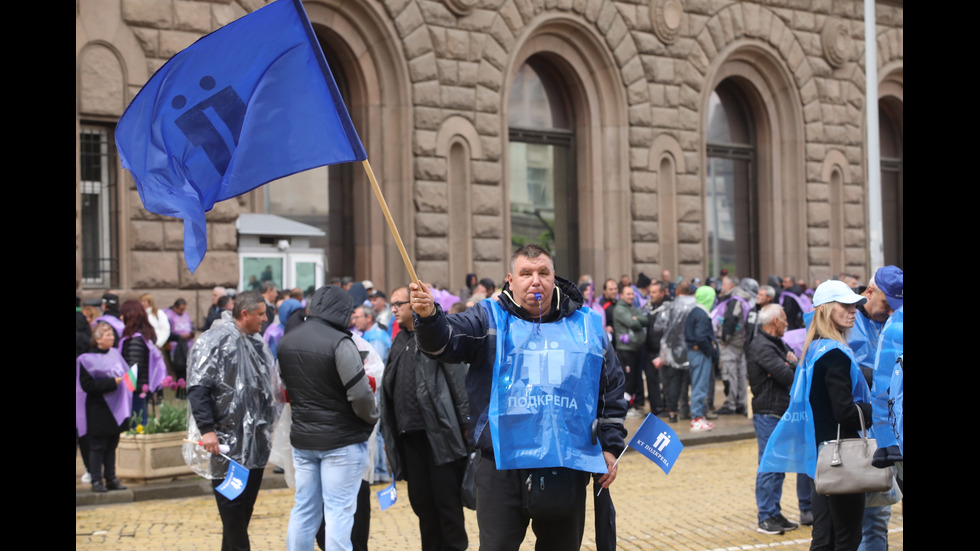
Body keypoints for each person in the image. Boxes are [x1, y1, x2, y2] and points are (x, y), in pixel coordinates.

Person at [410, 244, 627, 550]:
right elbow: (444, 343)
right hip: (502, 466)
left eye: (543, 272)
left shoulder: (587, 324)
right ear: (510, 280)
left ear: (554, 278)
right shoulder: (488, 317)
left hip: (565, 464)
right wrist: (429, 316)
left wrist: (610, 445)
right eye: (526, 273)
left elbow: (611, 387)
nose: (535, 280)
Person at [760, 280, 873, 551]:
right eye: (845, 305)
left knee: (824, 537)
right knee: (845, 537)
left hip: (819, 453)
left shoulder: (814, 349)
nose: (853, 310)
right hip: (842, 455)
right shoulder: (836, 354)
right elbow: (844, 411)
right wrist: (873, 411)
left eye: (854, 305)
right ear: (826, 309)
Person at [277, 286, 379, 551]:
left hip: (304, 438)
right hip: (341, 441)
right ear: (343, 312)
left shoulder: (287, 341)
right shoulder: (341, 342)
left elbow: (282, 389)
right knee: (338, 512)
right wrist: (369, 420)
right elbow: (361, 394)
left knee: (304, 509)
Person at [186, 291, 280, 551]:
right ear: (245, 314)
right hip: (226, 447)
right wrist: (207, 430)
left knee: (241, 515)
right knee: (232, 513)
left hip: (257, 445)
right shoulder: (213, 341)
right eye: (261, 313)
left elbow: (267, 387)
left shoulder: (257, 343)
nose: (265, 318)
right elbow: (199, 388)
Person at [379, 286, 470, 551]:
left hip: (440, 434)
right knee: (422, 505)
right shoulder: (398, 341)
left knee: (447, 505)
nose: (393, 309)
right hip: (410, 436)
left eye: (399, 304)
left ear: (415, 303)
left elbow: (457, 380)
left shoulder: (434, 334)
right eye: (392, 304)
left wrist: (466, 424)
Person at [746, 304, 811, 534]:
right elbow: (788, 376)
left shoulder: (776, 343)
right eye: (784, 320)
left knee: (779, 465)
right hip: (768, 412)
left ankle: (774, 512)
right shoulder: (762, 346)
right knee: (770, 465)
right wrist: (791, 363)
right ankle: (766, 516)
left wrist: (791, 363)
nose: (787, 324)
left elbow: (792, 370)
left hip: (780, 411)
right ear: (775, 321)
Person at [76, 322, 132, 493]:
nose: (111, 338)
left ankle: (111, 478)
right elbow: (87, 386)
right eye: (107, 335)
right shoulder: (85, 359)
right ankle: (96, 480)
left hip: (117, 407)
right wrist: (111, 383)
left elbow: (126, 374)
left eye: (112, 335)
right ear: (98, 339)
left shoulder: (115, 354)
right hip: (98, 408)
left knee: (111, 445)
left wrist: (131, 380)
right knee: (98, 446)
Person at [119, 300, 167, 425]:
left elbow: (134, 367)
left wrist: (124, 387)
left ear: (130, 316)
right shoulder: (144, 336)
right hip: (141, 387)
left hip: (135, 389)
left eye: (123, 314)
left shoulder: (135, 339)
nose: (120, 317)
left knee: (138, 422)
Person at [612, 283, 648, 416]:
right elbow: (632, 323)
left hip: (635, 349)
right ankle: (625, 407)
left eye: (632, 294)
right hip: (625, 349)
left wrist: (636, 318)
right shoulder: (620, 309)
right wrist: (636, 320)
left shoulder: (632, 308)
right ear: (621, 296)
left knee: (634, 379)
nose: (631, 296)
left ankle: (631, 405)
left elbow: (646, 320)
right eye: (628, 294)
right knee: (627, 379)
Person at [688, 285, 718, 431]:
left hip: (695, 353)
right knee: (700, 386)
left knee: (698, 385)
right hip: (700, 353)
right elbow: (701, 336)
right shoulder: (702, 314)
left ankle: (699, 416)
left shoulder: (695, 311)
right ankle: (696, 418)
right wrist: (711, 349)